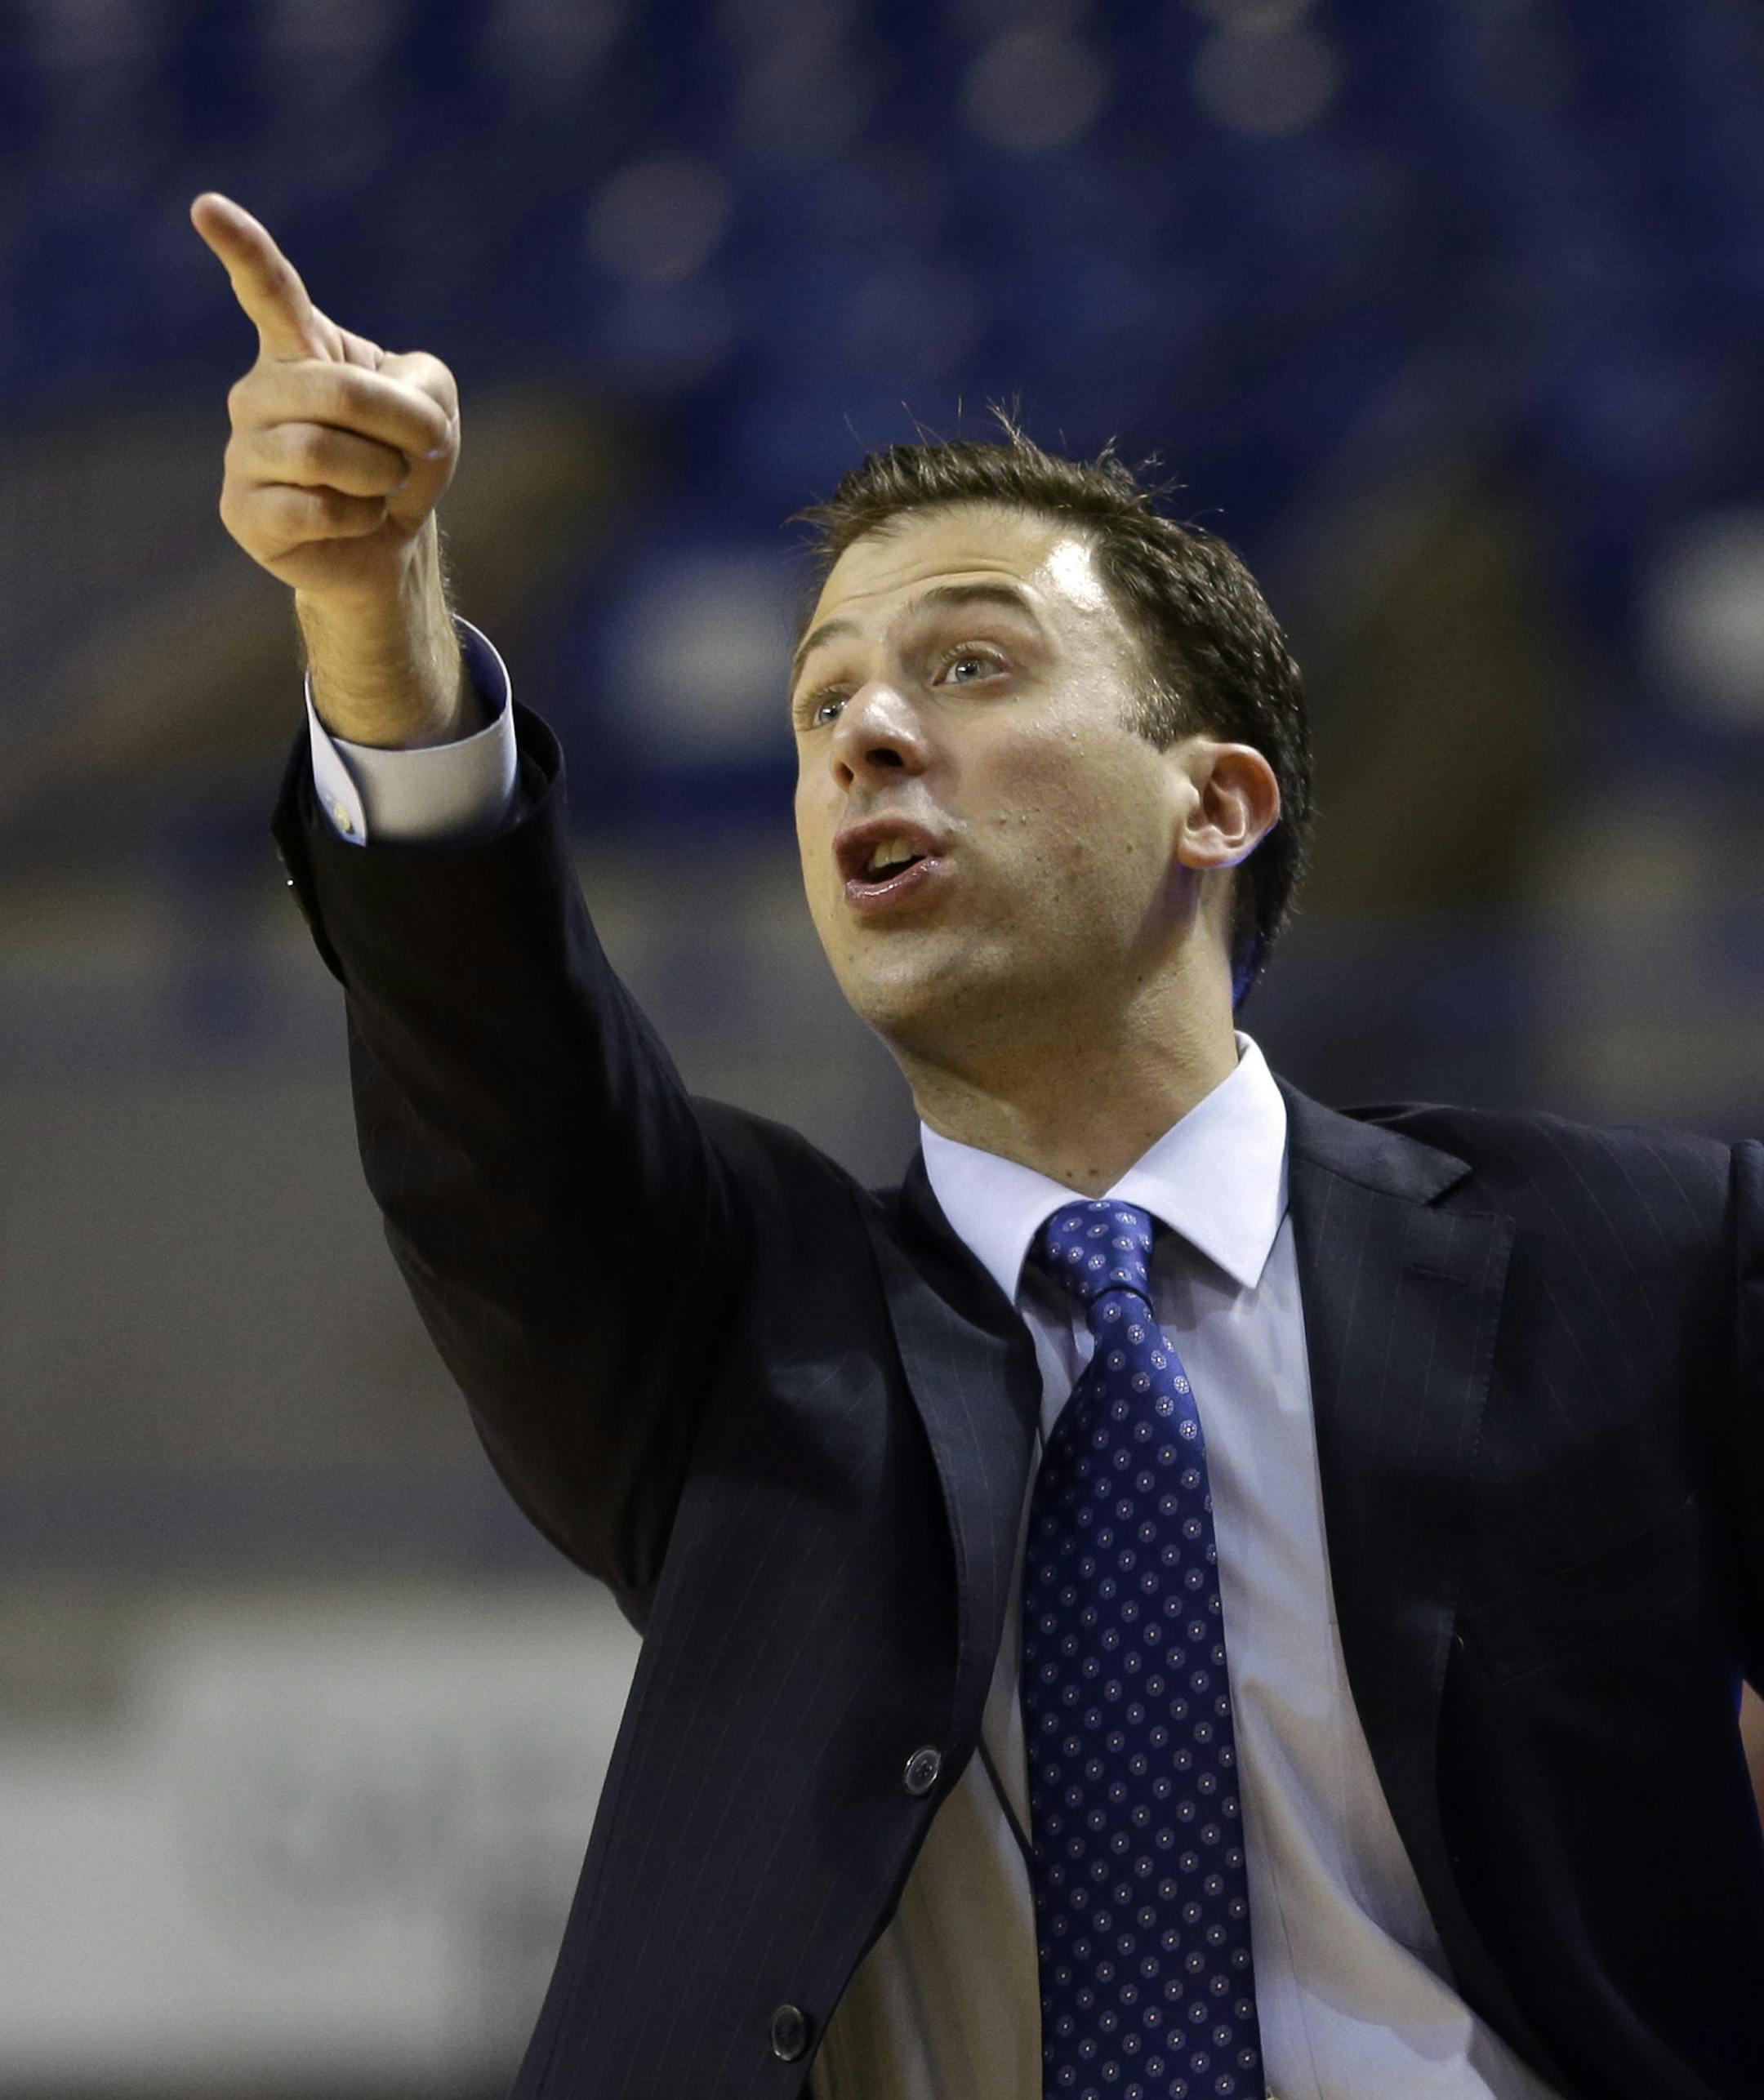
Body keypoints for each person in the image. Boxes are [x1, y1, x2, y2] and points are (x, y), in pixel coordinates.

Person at [190, 189, 1764, 2100]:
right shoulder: (736, 1323)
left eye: (969, 664)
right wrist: (377, 617)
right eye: (820, 699)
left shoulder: (1649, 1262)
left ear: (1219, 800)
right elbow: (490, 1073)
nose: (863, 728)